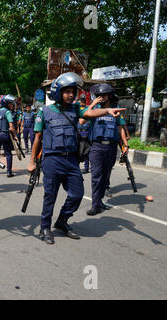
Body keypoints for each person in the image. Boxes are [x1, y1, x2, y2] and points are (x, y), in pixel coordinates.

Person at [27, 72, 125, 245]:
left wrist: (108, 110)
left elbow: (91, 113)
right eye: (67, 91)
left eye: (73, 91)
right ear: (59, 92)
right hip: (52, 160)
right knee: (50, 195)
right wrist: (31, 161)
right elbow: (37, 138)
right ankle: (45, 227)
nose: (71, 95)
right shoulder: (45, 111)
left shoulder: (75, 109)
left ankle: (62, 221)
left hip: (71, 160)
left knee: (77, 194)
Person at [86, 83, 129, 216]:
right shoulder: (94, 110)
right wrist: (93, 103)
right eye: (99, 95)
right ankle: (94, 205)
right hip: (97, 147)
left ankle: (99, 201)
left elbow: (120, 129)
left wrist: (125, 145)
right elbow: (84, 117)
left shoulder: (115, 110)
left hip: (111, 147)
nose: (101, 97)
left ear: (109, 96)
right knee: (96, 176)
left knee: (105, 176)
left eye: (104, 95)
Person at [0, 94, 18, 177]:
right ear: (6, 104)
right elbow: (11, 126)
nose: (12, 105)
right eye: (10, 103)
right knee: (8, 153)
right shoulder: (7, 112)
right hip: (5, 134)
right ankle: (9, 172)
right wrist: (15, 136)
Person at [78, 95, 91, 174]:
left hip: (86, 132)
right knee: (77, 151)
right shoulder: (77, 109)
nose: (80, 103)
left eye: (81, 101)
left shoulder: (87, 109)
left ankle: (86, 167)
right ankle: (76, 167)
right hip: (78, 132)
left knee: (86, 151)